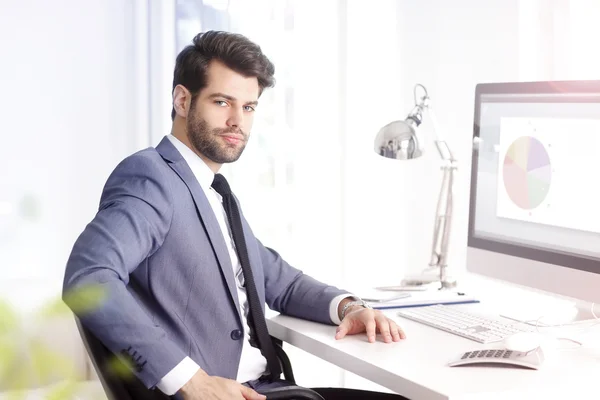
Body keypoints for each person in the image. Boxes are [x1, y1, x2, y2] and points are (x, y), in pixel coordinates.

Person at [63, 30, 409, 400]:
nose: (237, 122)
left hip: (265, 387)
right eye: (222, 102)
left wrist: (348, 307)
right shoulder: (152, 177)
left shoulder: (213, 191)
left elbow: (281, 282)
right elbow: (88, 279)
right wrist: (192, 381)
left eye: (248, 107)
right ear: (183, 100)